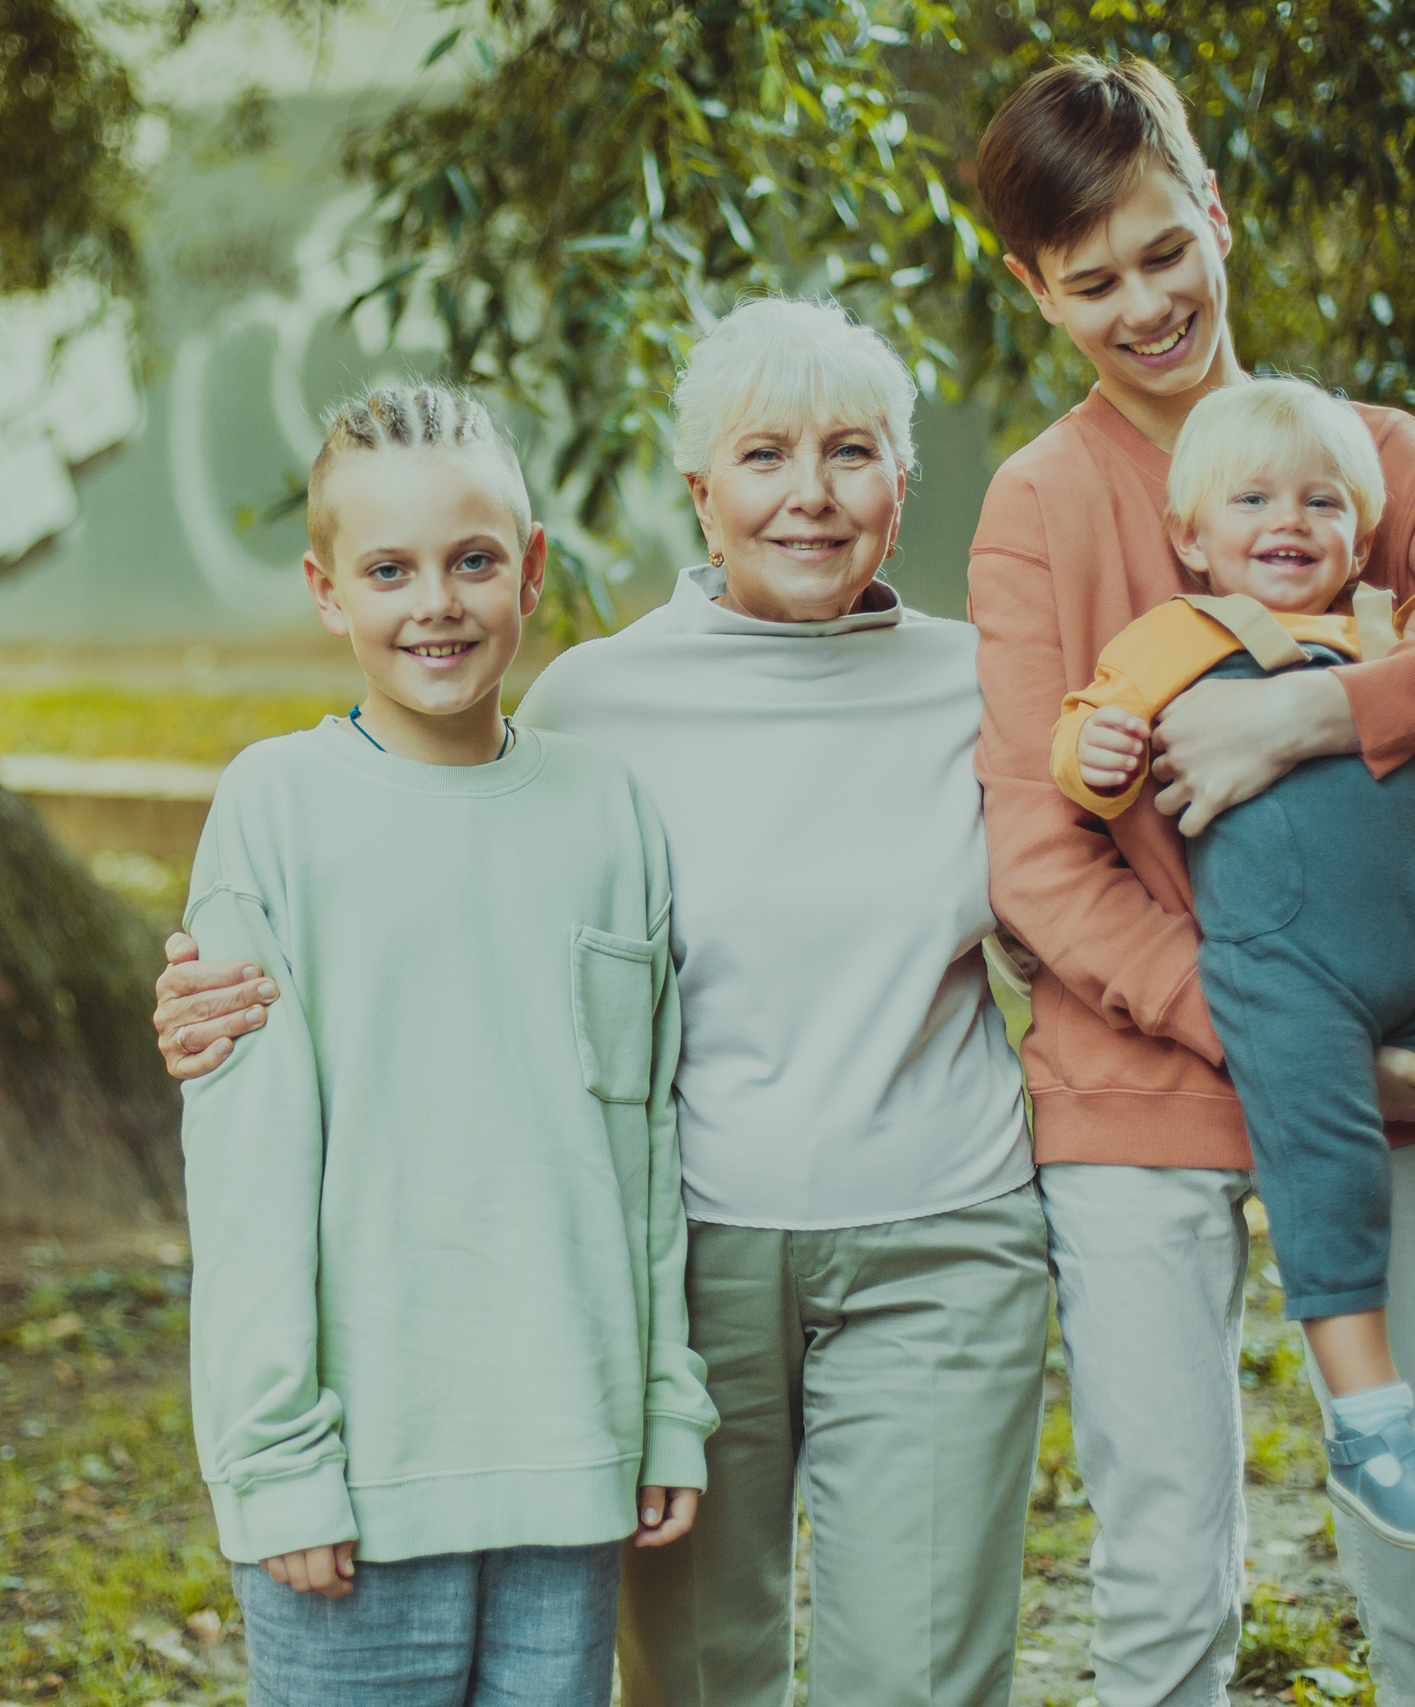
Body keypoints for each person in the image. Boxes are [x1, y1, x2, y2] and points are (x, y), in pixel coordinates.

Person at [160, 296, 1050, 1707]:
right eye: (764, 455)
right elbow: (405, 953)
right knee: (695, 1676)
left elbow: (1095, 915)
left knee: (925, 1674)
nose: (809, 493)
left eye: (852, 453)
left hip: (927, 1226)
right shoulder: (591, 714)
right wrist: (207, 1003)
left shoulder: (987, 689)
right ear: (702, 496)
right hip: (694, 1252)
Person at [967, 58, 1415, 1707]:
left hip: (1392, 1076)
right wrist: (1271, 1036)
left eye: (1165, 252)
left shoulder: (1360, 457)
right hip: (1140, 1087)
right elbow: (1040, 858)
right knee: (1170, 1571)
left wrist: (1318, 708)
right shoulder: (1039, 502)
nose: (1144, 305)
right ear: (1035, 289)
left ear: (1217, 219)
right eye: (1092, 280)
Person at [178, 382, 714, 1707]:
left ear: (529, 569)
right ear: (326, 589)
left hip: (570, 1462)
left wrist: (663, 1404)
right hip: (359, 1484)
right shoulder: (274, 809)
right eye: (390, 568)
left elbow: (639, 1140)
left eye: (475, 561)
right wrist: (275, 1458)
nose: (439, 603)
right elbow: (246, 1177)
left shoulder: (608, 810)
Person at [1054, 377, 1415, 1550]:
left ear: (1360, 532)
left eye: (1322, 501)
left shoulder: (1382, 626)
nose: (1289, 519)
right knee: (1331, 1187)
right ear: (1191, 536)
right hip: (1290, 982)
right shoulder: (1175, 637)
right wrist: (1100, 745)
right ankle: (1369, 1425)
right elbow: (1083, 744)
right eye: (1253, 498)